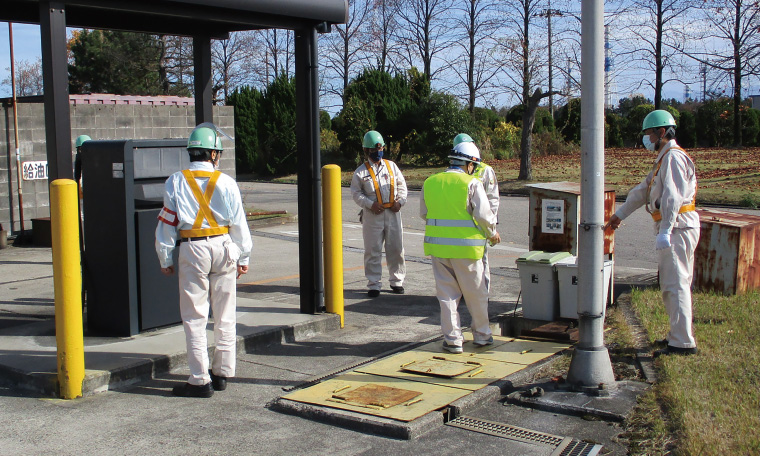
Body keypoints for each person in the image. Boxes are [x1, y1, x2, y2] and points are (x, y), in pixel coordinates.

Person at [155, 123, 253, 397]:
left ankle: (199, 379)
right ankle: (222, 372)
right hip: (224, 246)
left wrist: (165, 256)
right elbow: (239, 224)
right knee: (225, 314)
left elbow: (166, 223)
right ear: (213, 154)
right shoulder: (227, 182)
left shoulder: (175, 181)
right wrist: (244, 255)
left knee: (195, 317)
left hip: (192, 247)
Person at [604, 110, 699, 356]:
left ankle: (682, 343)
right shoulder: (664, 159)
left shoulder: (674, 158)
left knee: (675, 285)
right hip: (676, 226)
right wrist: (619, 215)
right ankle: (676, 336)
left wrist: (666, 230)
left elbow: (672, 197)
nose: (646, 138)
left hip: (677, 226)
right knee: (675, 284)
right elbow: (643, 191)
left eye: (648, 133)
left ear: (661, 132)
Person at [420, 141, 501, 354]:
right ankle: (482, 335)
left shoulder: (430, 182)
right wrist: (492, 234)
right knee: (476, 294)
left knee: (447, 296)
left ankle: (453, 340)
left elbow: (424, 213)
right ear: (469, 164)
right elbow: (484, 216)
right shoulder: (471, 183)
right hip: (467, 250)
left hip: (439, 250)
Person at [350, 130, 407, 298]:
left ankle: (397, 281)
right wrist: (370, 204)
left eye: (380, 148)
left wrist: (400, 202)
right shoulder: (360, 172)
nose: (378, 152)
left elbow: (402, 186)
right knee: (372, 250)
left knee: (396, 248)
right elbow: (356, 193)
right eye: (374, 150)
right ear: (366, 151)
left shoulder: (392, 167)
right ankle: (374, 284)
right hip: (372, 215)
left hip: (393, 213)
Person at [453, 133, 499, 291]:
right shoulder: (454, 171)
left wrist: (490, 225)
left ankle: (483, 291)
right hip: (462, 224)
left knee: (481, 260)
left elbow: (492, 199)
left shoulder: (485, 170)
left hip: (480, 223)